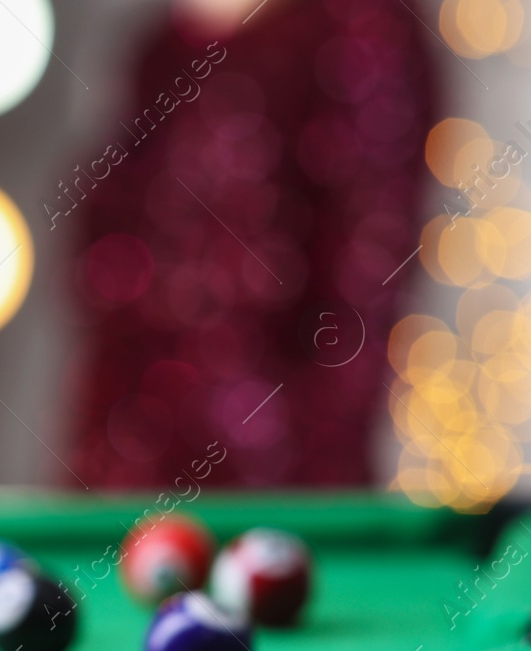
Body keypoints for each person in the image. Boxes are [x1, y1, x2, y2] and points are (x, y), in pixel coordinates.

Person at [64, 0, 436, 486]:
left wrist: (310, 484)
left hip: (273, 482)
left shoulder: (363, 31)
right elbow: (108, 255)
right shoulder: (159, 45)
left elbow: (365, 286)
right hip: (117, 473)